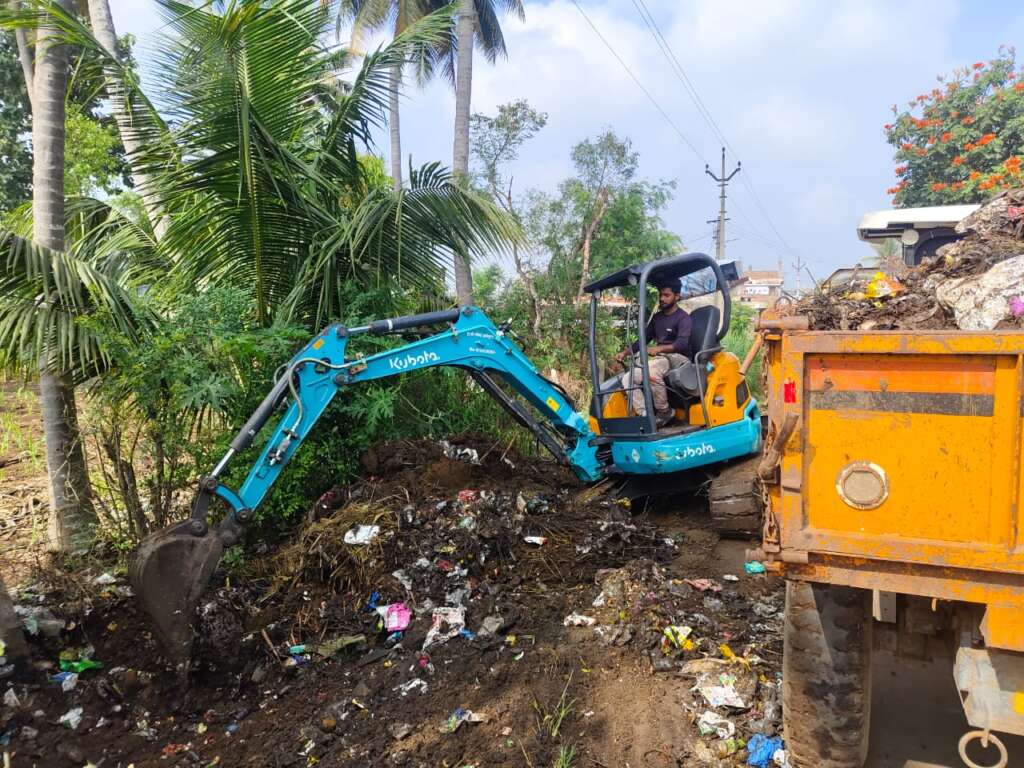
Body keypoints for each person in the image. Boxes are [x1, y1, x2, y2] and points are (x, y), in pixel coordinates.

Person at [615, 279, 692, 427]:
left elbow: (682, 344)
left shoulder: (683, 318)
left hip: (679, 358)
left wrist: (659, 349)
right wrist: (626, 352)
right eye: (660, 295)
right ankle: (646, 415)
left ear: (677, 296)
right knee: (629, 378)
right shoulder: (657, 318)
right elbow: (643, 339)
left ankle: (665, 412)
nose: (662, 298)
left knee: (651, 371)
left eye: (666, 295)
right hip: (661, 358)